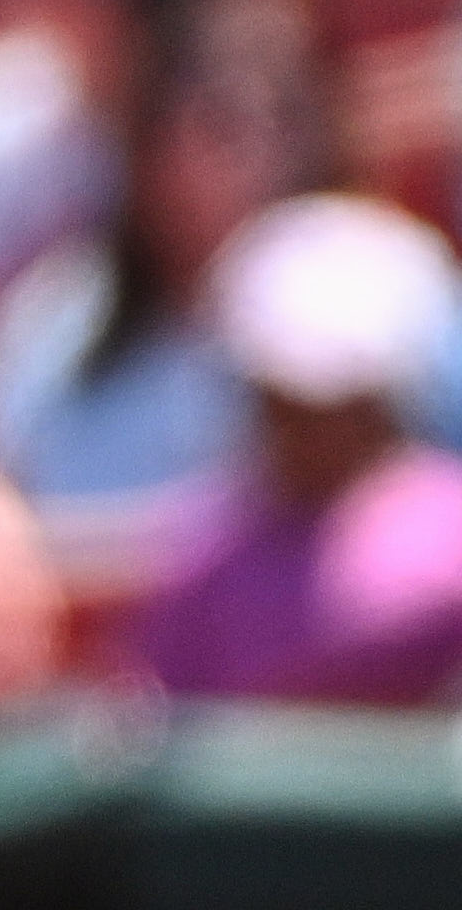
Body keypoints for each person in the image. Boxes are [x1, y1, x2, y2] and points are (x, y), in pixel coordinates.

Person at [118, 194, 462, 704]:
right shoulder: (210, 557)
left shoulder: (444, 529)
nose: (306, 425)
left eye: (335, 401)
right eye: (282, 399)